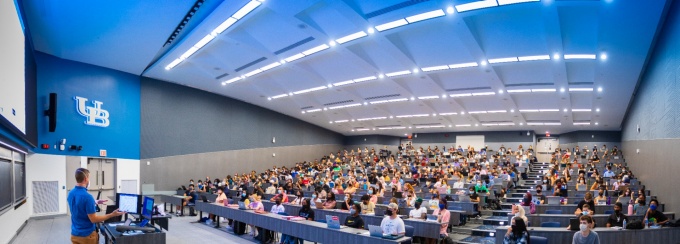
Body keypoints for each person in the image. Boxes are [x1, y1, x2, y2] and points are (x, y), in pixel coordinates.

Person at [67, 168, 125, 244]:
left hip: (75, 234)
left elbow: (78, 206)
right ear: (85, 179)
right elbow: (94, 219)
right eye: (89, 178)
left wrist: (94, 202)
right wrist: (112, 214)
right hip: (87, 236)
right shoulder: (87, 197)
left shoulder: (71, 193)